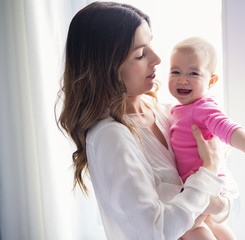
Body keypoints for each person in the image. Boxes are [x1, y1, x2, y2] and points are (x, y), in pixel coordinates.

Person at [56, 2, 231, 240]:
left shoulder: (167, 112)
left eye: (151, 45)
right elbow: (157, 231)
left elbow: (223, 192)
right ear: (107, 68)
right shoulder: (111, 136)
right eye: (140, 54)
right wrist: (208, 171)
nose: (158, 58)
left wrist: (220, 206)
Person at [168, 37, 245, 239]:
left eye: (193, 73)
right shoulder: (177, 109)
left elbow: (226, 127)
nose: (182, 79)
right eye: (176, 72)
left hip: (205, 182)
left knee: (192, 227)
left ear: (211, 81)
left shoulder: (202, 107)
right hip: (202, 181)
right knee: (210, 224)